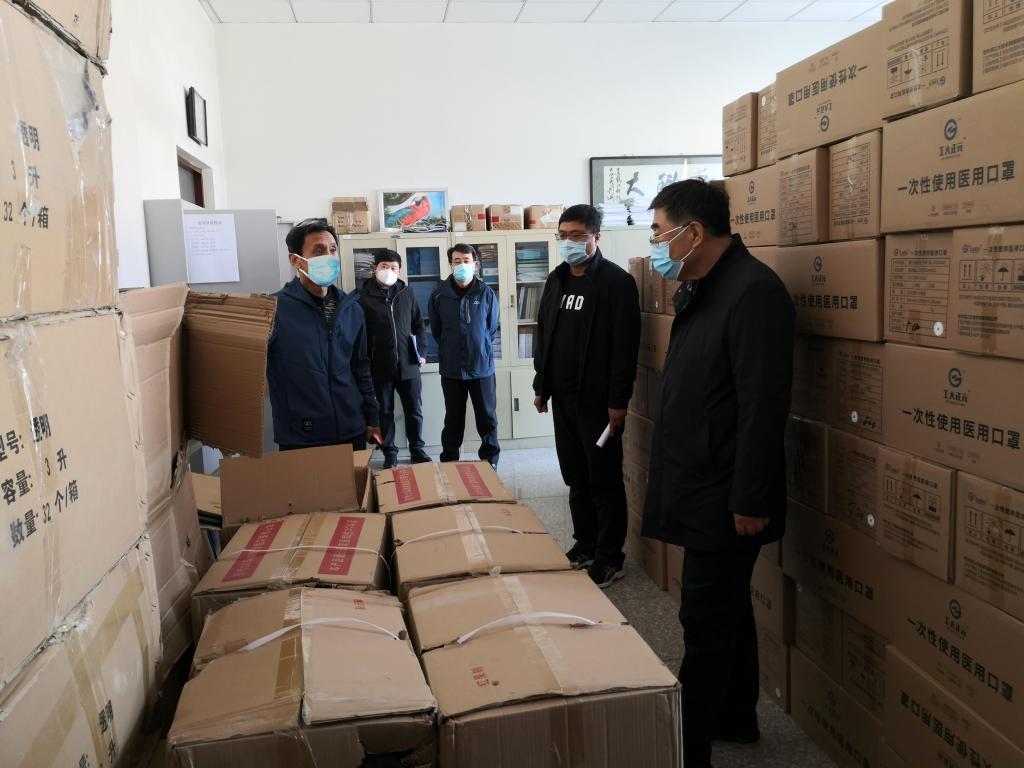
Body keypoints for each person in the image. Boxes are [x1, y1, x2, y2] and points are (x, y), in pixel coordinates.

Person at [641, 179, 794, 768]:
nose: (656, 245)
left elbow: (763, 405)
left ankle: (689, 746)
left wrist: (751, 497)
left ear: (694, 232)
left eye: (660, 233)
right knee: (727, 607)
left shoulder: (753, 293)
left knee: (704, 618)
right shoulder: (702, 286)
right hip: (701, 476)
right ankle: (737, 716)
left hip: (727, 490)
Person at [532, 204, 641, 588]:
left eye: (578, 235)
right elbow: (544, 333)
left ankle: (611, 556)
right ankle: (586, 543)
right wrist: (541, 385)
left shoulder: (616, 283)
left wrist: (618, 401)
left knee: (603, 480)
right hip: (563, 399)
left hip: (598, 403)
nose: (569, 242)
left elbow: (625, 347)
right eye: (563, 235)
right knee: (575, 475)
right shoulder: (556, 279)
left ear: (596, 237)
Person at [267, 218, 382, 452]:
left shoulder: (352, 309)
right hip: (301, 436)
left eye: (332, 250)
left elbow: (361, 368)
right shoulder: (274, 310)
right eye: (319, 251)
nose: (329, 257)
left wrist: (372, 417)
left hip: (351, 430)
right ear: (295, 260)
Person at [428, 244, 500, 468]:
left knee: (487, 418)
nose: (462, 265)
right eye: (457, 261)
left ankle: (490, 461)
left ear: (475, 264)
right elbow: (437, 330)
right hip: (452, 368)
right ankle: (449, 461)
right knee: (453, 419)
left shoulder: (486, 293)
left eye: (466, 261)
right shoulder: (438, 295)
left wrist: (478, 346)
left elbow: (491, 328)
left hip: (481, 366)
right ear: (450, 264)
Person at [357, 250, 431, 468]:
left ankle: (417, 449)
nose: (388, 271)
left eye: (393, 267)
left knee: (414, 410)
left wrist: (422, 353)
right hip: (379, 366)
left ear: (399, 271)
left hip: (409, 363)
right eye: (384, 266)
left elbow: (419, 325)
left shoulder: (407, 292)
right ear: (375, 269)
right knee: (384, 412)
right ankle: (390, 453)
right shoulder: (362, 296)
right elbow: (360, 334)